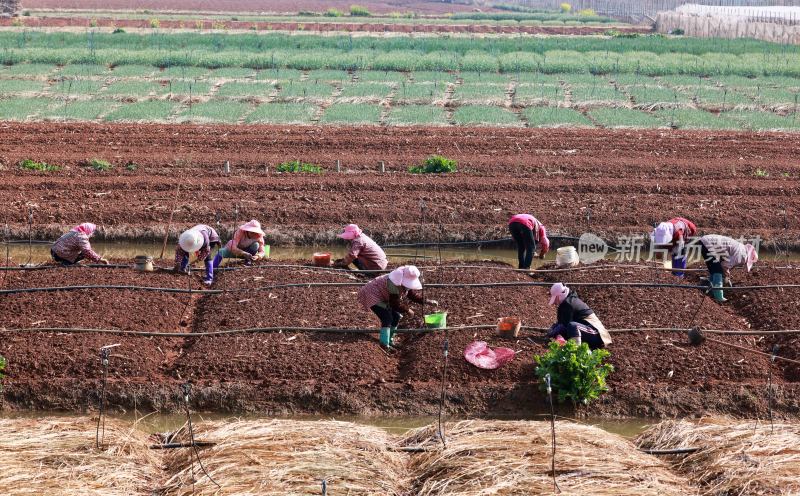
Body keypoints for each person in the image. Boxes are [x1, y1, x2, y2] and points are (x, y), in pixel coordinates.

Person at [358, 265, 437, 348]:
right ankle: (384, 344)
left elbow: (411, 295)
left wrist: (427, 301)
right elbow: (394, 304)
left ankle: (390, 340)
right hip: (372, 295)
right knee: (387, 318)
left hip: (382, 296)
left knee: (396, 317)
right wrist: (407, 310)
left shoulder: (403, 282)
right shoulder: (393, 283)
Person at [546, 282, 612, 350]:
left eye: (556, 298)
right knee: (565, 328)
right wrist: (553, 331)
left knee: (572, 326)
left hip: (598, 335)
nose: (555, 302)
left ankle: (576, 350)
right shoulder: (567, 302)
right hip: (587, 332)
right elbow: (561, 323)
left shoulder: (569, 304)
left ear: (561, 295)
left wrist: (553, 332)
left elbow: (563, 326)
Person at [698, 235, 758, 302]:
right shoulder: (742, 255)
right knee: (718, 271)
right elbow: (725, 265)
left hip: (704, 241)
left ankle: (710, 290)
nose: (743, 264)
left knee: (713, 270)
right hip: (709, 243)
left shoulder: (740, 248)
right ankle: (719, 297)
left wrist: (726, 272)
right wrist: (726, 273)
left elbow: (725, 261)